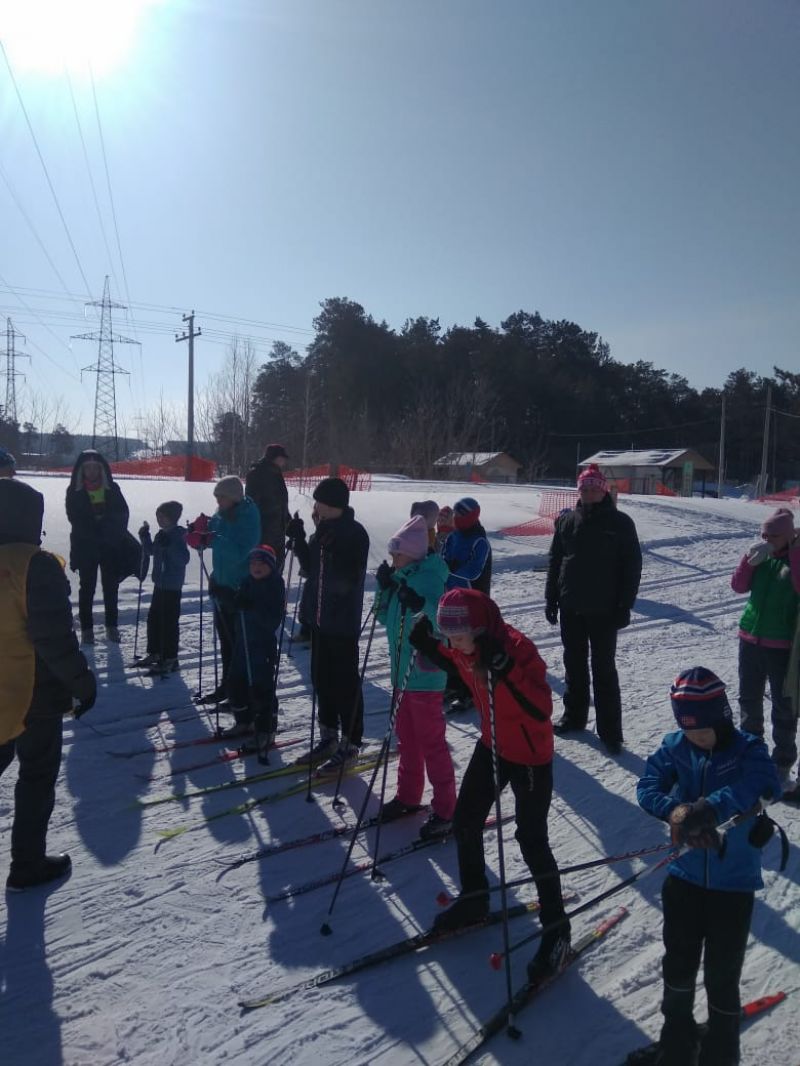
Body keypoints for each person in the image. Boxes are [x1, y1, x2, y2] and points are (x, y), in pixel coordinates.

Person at [409, 588, 571, 982]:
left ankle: (557, 931)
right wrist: (428, 644)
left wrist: (507, 668)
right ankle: (475, 898)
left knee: (531, 840)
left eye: (458, 636)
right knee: (465, 820)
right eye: (448, 636)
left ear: (481, 630)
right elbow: (453, 661)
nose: (453, 644)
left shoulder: (515, 648)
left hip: (530, 755)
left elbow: (542, 709)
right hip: (494, 743)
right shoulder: (464, 648)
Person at [633, 667, 781, 1066]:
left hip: (732, 887)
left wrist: (711, 808)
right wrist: (677, 812)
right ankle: (676, 1048)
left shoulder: (747, 749)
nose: (696, 737)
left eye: (703, 729)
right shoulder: (675, 746)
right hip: (683, 880)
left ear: (723, 716)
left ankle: (720, 1055)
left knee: (721, 977)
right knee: (677, 967)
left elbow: (765, 784)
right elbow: (647, 786)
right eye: (689, 729)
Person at [0, 479, 96, 890]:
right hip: (33, 693)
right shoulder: (35, 565)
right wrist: (82, 682)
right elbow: (54, 638)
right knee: (36, 775)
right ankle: (27, 865)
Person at [545, 463, 641, 754]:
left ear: (603, 491)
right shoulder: (567, 521)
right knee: (573, 664)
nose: (588, 493)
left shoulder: (621, 523)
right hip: (571, 605)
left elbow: (632, 567)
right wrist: (551, 598)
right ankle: (574, 716)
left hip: (605, 609)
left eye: (593, 489)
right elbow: (555, 561)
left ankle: (610, 731)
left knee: (603, 669)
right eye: (584, 489)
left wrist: (625, 605)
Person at [374, 515, 456, 839]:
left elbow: (442, 623)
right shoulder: (402, 579)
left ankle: (447, 809)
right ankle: (408, 796)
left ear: (412, 554)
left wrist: (420, 603)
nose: (393, 558)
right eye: (392, 553)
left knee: (431, 744)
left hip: (424, 674)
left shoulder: (430, 578)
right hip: (401, 675)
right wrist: (383, 589)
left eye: (397, 553)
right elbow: (383, 618)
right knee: (406, 740)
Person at [287, 476, 369, 771]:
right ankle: (329, 736)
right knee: (321, 680)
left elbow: (350, 576)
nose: (316, 506)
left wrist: (333, 551)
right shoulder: (322, 530)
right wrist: (299, 538)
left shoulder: (354, 533)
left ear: (333, 503)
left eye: (319, 501)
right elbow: (310, 569)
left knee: (344, 682)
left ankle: (351, 743)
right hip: (319, 621)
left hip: (342, 622)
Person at [730, 506, 800, 784]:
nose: (767, 539)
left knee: (784, 705)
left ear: (789, 535)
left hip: (781, 644)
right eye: (763, 535)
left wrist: (794, 554)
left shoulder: (796, 558)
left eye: (773, 535)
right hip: (749, 638)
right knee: (749, 699)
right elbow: (738, 586)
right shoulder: (762, 557)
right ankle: (751, 756)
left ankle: (782, 761)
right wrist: (748, 560)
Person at [197, 476, 261, 703]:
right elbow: (212, 536)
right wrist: (200, 533)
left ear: (234, 497)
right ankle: (227, 687)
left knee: (238, 645)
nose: (218, 501)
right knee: (225, 642)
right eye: (217, 497)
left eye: (221, 497)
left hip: (239, 588)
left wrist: (213, 539)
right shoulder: (221, 514)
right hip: (221, 585)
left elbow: (241, 551)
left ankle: (241, 693)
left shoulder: (248, 517)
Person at [65, 449, 131, 645]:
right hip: (86, 547)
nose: (92, 471)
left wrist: (107, 530)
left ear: (102, 469)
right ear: (81, 470)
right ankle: (87, 630)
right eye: (88, 468)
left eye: (95, 467)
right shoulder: (74, 491)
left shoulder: (112, 488)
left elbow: (123, 514)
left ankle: (112, 627)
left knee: (111, 588)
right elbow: (74, 518)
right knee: (87, 588)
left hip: (109, 547)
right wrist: (94, 528)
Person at [226, 544, 286, 758]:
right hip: (243, 643)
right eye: (253, 563)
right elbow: (238, 608)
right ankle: (244, 721)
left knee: (261, 688)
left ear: (271, 566)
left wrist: (251, 607)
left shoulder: (275, 586)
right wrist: (229, 599)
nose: (256, 567)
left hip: (262, 646)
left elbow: (272, 620)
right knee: (235, 683)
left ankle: (266, 731)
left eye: (261, 563)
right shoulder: (246, 582)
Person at [137, 501, 190, 675]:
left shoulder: (179, 535)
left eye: (162, 516)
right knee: (154, 619)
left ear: (172, 518)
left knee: (168, 622)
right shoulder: (161, 534)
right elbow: (151, 551)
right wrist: (145, 536)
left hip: (172, 586)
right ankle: (155, 652)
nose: (159, 519)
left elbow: (183, 559)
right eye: (157, 516)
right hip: (159, 583)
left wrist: (170, 546)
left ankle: (170, 658)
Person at [245, 443, 291, 573]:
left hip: (278, 530)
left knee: (277, 566)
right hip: (264, 531)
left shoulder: (276, 474)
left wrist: (288, 522)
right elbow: (251, 504)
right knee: (265, 567)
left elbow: (281, 502)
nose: (284, 461)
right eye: (282, 458)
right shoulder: (257, 474)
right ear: (274, 457)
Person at [442, 497, 492, 593]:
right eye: (455, 514)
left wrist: (453, 568)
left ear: (470, 516)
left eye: (459, 515)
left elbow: (474, 571)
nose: (456, 518)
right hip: (451, 593)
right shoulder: (452, 536)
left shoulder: (480, 541)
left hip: (473, 595)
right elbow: (443, 557)